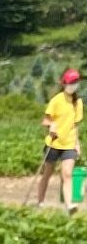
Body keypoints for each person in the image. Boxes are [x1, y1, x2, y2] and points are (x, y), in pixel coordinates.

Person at [37, 67, 83, 209]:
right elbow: (45, 120)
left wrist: (77, 144)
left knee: (67, 174)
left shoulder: (78, 103)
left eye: (75, 82)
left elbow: (75, 126)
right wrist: (51, 125)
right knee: (47, 174)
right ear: (64, 84)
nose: (72, 85)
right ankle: (40, 201)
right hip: (54, 143)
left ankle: (70, 206)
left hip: (69, 144)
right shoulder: (56, 100)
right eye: (70, 82)